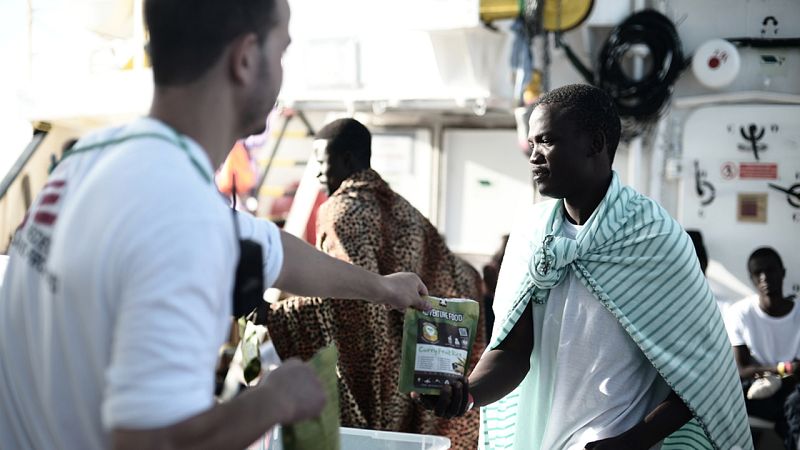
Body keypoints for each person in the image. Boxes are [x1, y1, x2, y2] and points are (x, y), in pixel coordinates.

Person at [0, 2, 430, 450]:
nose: (283, 75)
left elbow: (271, 250)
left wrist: (383, 288)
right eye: (281, 53)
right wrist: (274, 400)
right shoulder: (183, 219)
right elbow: (154, 444)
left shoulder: (94, 157)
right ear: (245, 59)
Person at [416, 84, 752, 450]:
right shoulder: (531, 236)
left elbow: (703, 377)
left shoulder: (655, 238)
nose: (533, 156)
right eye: (532, 143)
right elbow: (512, 353)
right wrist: (465, 396)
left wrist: (631, 442)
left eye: (546, 141)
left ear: (595, 143)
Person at [264, 118, 484, 449]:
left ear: (348, 161)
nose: (319, 175)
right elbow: (459, 277)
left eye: (322, 164)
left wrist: (276, 315)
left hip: (381, 380)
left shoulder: (341, 211)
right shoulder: (405, 210)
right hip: (423, 375)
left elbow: (352, 302)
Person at [724, 247, 800, 449]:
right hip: (759, 387)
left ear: (782, 272)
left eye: (771, 270)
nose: (765, 278)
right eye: (758, 273)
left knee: (794, 403)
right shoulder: (740, 313)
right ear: (751, 278)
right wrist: (782, 369)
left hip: (793, 388)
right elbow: (741, 370)